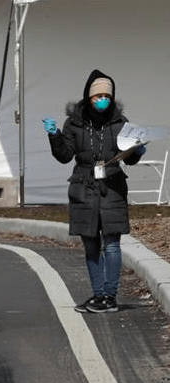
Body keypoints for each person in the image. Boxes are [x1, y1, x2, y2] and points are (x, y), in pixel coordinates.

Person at [43, 69, 145, 313]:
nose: (103, 100)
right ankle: (98, 294)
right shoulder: (74, 123)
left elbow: (129, 160)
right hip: (83, 186)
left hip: (113, 187)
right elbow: (64, 156)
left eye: (107, 96)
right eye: (98, 95)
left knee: (112, 245)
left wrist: (137, 150)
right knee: (90, 245)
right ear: (88, 96)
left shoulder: (121, 123)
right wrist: (54, 136)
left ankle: (110, 296)